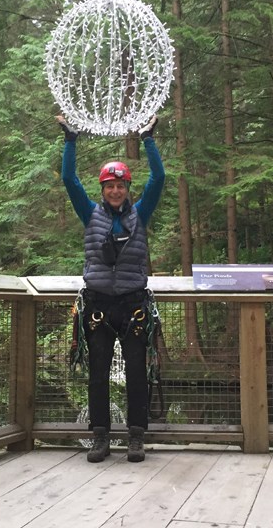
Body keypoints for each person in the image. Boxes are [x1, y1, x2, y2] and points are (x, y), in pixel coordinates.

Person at [57, 114, 165, 463]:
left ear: (127, 189)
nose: (115, 191)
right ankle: (100, 436)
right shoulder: (90, 214)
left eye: (120, 186)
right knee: (98, 372)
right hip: (98, 305)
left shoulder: (140, 215)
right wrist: (70, 140)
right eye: (109, 186)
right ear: (102, 190)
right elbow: (69, 180)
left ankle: (136, 436)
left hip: (133, 304)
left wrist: (148, 139)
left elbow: (159, 179)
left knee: (136, 371)